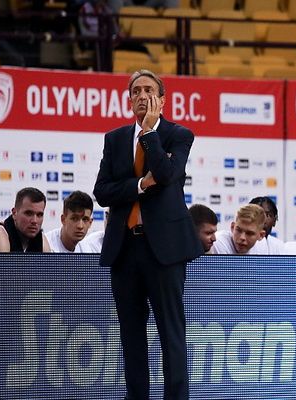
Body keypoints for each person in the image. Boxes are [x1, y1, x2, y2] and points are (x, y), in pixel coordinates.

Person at [93, 69, 202, 400]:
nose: (142, 95)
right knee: (131, 335)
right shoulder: (114, 139)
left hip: (165, 250)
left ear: (162, 100)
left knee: (171, 333)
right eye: (136, 91)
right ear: (129, 100)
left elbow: (167, 175)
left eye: (149, 90)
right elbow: (102, 192)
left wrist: (150, 133)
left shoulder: (178, 135)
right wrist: (140, 184)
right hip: (125, 248)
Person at [0, 187, 51, 252]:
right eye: (28, 213)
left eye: (39, 215)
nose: (34, 221)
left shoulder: (42, 241)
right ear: (14, 213)